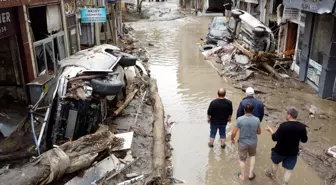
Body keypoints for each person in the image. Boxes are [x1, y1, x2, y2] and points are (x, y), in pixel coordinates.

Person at [265, 108, 308, 185]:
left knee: (275, 163)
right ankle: (284, 184)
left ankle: (273, 175)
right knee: (288, 170)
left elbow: (274, 138)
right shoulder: (302, 127)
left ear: (289, 115)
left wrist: (270, 130)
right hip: (293, 152)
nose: (285, 115)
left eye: (286, 114)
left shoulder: (283, 126)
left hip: (280, 150)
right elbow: (304, 140)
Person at [231, 103, 261, 181]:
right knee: (252, 156)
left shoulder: (240, 119)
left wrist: (232, 139)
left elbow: (234, 132)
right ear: (253, 110)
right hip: (253, 142)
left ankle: (242, 176)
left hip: (242, 143)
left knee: (242, 159)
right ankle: (250, 174)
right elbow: (259, 132)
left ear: (244, 110)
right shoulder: (257, 119)